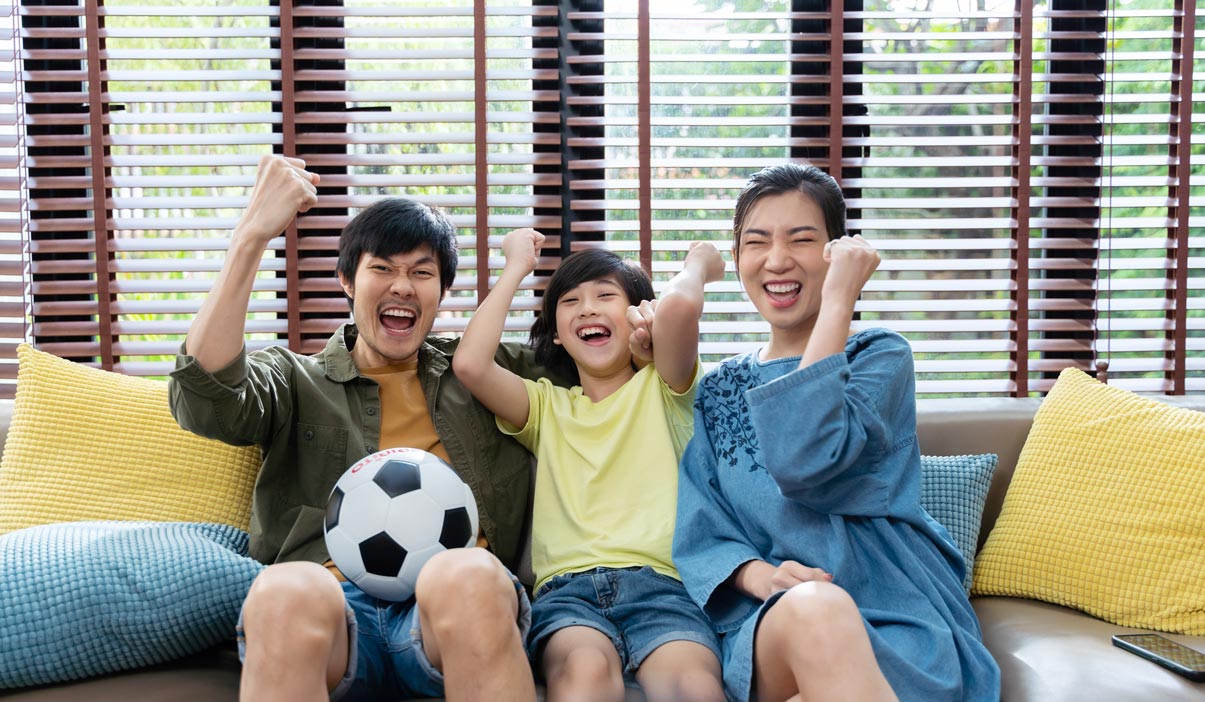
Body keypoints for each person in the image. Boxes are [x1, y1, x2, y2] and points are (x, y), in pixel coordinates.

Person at [169, 154, 566, 702]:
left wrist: (641, 330)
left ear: (441, 292)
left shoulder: (484, 372)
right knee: (284, 588)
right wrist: (252, 235)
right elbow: (204, 399)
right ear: (347, 282)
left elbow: (599, 361)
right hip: (332, 614)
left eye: (421, 272)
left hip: (445, 616)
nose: (402, 285)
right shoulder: (294, 379)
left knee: (470, 575)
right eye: (383, 267)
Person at [671, 163, 1003, 701]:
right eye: (757, 242)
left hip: (896, 613)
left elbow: (806, 457)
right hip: (779, 619)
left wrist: (841, 297)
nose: (777, 259)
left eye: (801, 239)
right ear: (737, 261)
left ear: (835, 252)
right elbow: (702, 526)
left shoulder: (879, 356)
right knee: (816, 607)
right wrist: (763, 577)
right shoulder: (721, 388)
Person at [451, 231, 726, 702]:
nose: (588, 308)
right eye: (570, 301)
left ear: (639, 314)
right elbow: (471, 365)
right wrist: (517, 267)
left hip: (664, 589)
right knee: (584, 673)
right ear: (557, 332)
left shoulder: (667, 389)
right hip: (567, 592)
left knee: (694, 686)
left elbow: (679, 314)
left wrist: (699, 262)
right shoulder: (547, 407)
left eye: (605, 295)